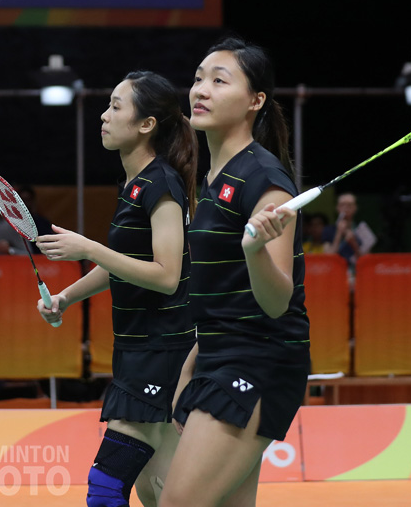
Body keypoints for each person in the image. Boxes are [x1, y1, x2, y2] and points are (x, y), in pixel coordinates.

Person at [159, 37, 310, 507]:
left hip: (261, 360)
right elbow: (223, 295)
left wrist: (255, 250)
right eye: (198, 79)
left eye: (219, 81)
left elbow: (277, 300)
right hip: (219, 354)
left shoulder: (265, 181)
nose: (201, 90)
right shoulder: (213, 180)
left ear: (255, 101)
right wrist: (192, 365)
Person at [35, 71, 198, 507]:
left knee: (105, 490)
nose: (104, 116)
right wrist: (66, 297)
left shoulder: (161, 184)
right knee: (160, 492)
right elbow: (122, 263)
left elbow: (165, 274)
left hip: (160, 351)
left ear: (146, 124)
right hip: (137, 347)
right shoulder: (135, 183)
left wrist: (88, 247)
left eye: (115, 106)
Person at [324, 192, 376, 266]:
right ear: (337, 207)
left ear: (355, 208)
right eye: (342, 205)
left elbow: (366, 261)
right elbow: (328, 257)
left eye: (349, 205)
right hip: (336, 270)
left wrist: (354, 243)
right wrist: (339, 233)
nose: (346, 208)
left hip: (356, 271)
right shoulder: (328, 230)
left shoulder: (363, 230)